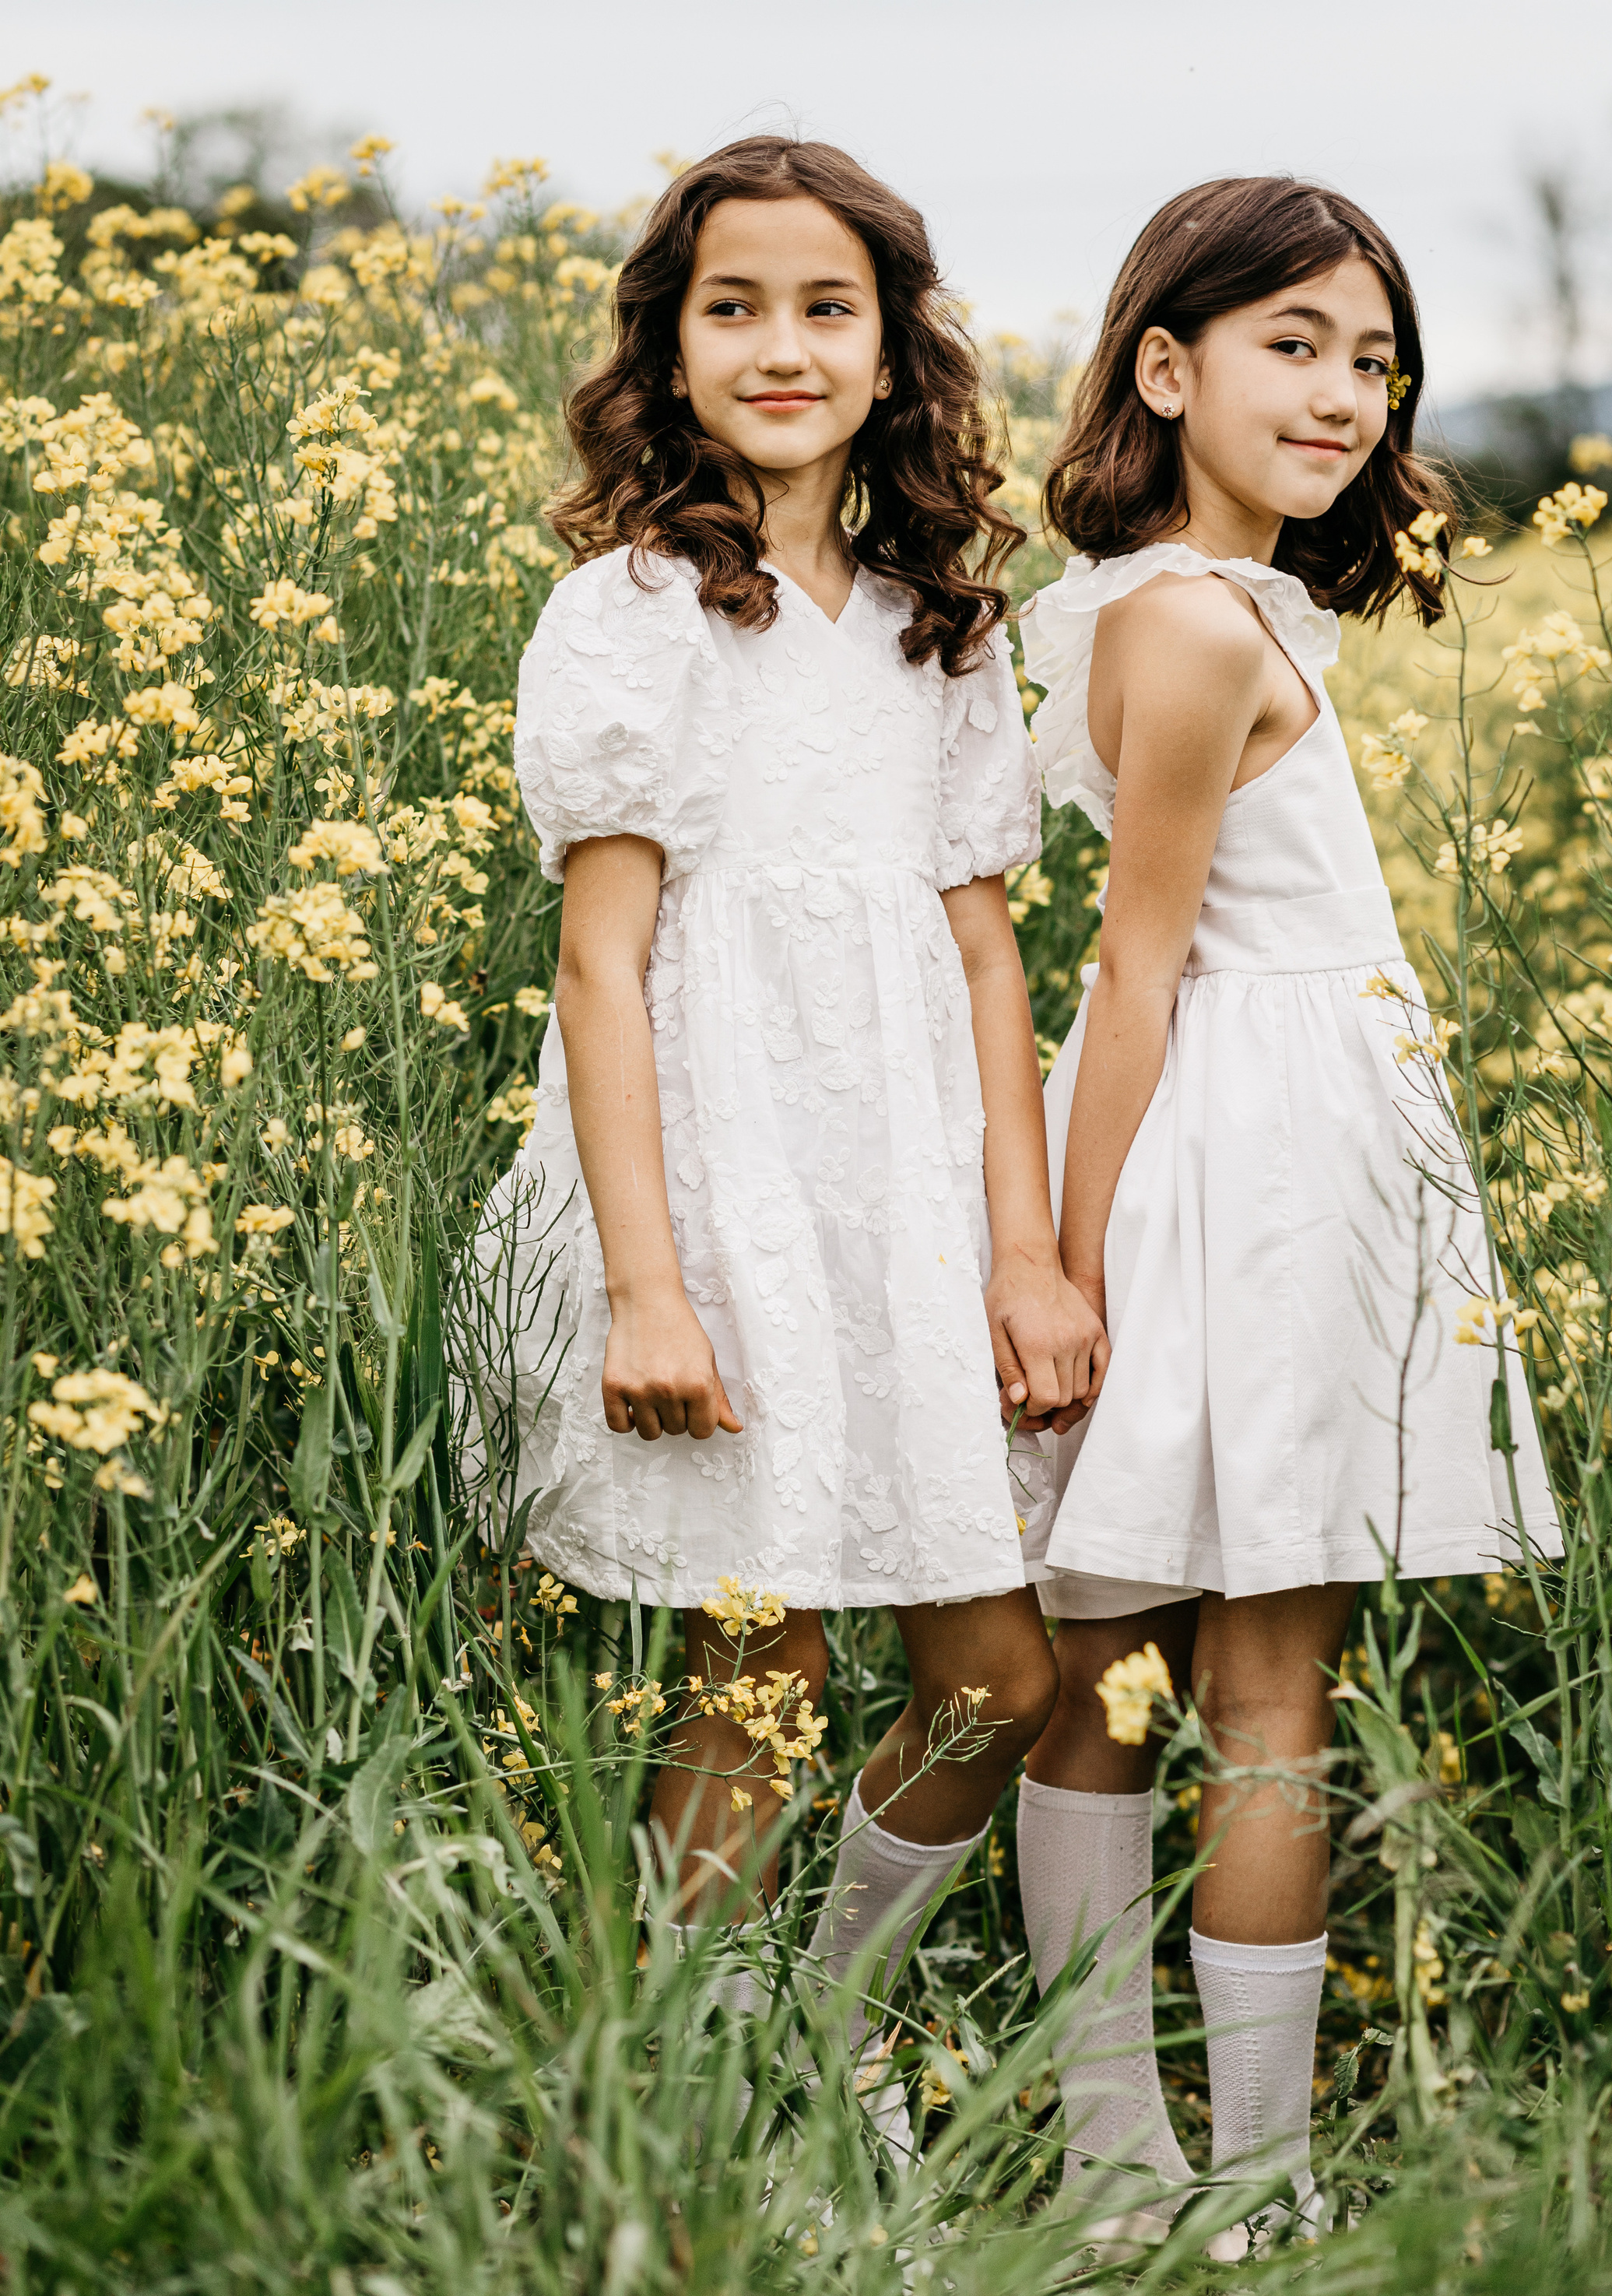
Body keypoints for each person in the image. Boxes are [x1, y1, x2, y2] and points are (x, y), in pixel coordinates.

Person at [472, 136, 1102, 2112]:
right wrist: (645, 1286)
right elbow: (602, 965)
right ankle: (675, 2113)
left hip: (906, 1200)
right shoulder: (631, 612)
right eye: (730, 306)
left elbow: (986, 958)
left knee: (996, 1672)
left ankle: (818, 2030)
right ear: (666, 349)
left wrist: (1021, 1251)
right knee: (762, 1675)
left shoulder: (940, 623)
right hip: (716, 1191)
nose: (779, 347)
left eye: (825, 308)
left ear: (890, 349)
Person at [1011, 177, 1561, 2244]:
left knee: (1139, 1670)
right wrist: (1064, 1264)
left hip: (1267, 1140)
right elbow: (1133, 964)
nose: (1343, 394)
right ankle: (1207, 2177)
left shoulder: (1206, 605)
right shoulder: (1186, 618)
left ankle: (1168, 2171)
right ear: (1165, 368)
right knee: (1233, 1687)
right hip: (1242, 1164)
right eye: (1294, 344)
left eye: (1374, 360)